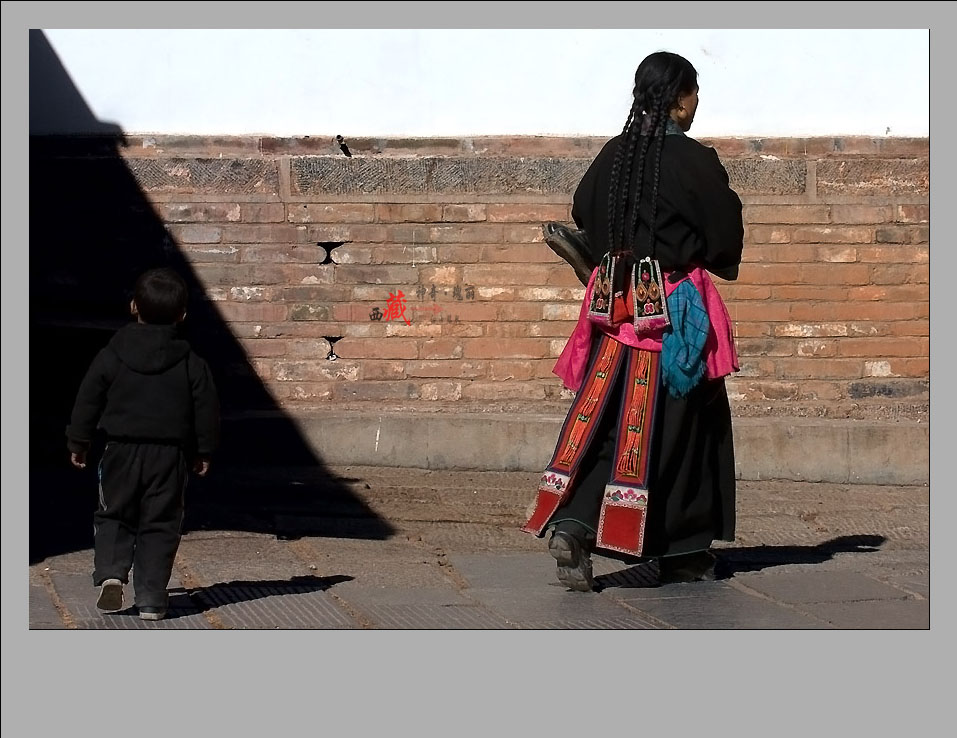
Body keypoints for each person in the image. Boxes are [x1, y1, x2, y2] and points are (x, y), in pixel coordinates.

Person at [523, 51, 743, 590]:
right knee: (684, 430)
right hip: (673, 321)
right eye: (693, 93)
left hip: (614, 312)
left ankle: (575, 525)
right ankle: (683, 549)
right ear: (676, 98)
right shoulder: (695, 161)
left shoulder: (613, 158)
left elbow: (585, 213)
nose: (696, 104)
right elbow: (722, 241)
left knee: (611, 422)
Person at [66, 267, 219, 620]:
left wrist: (79, 439)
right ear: (182, 315)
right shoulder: (191, 363)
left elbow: (89, 397)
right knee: (161, 522)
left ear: (133, 306)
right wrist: (204, 450)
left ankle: (111, 575)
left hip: (120, 450)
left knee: (113, 514)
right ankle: (151, 597)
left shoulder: (112, 354)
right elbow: (206, 408)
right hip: (170, 457)